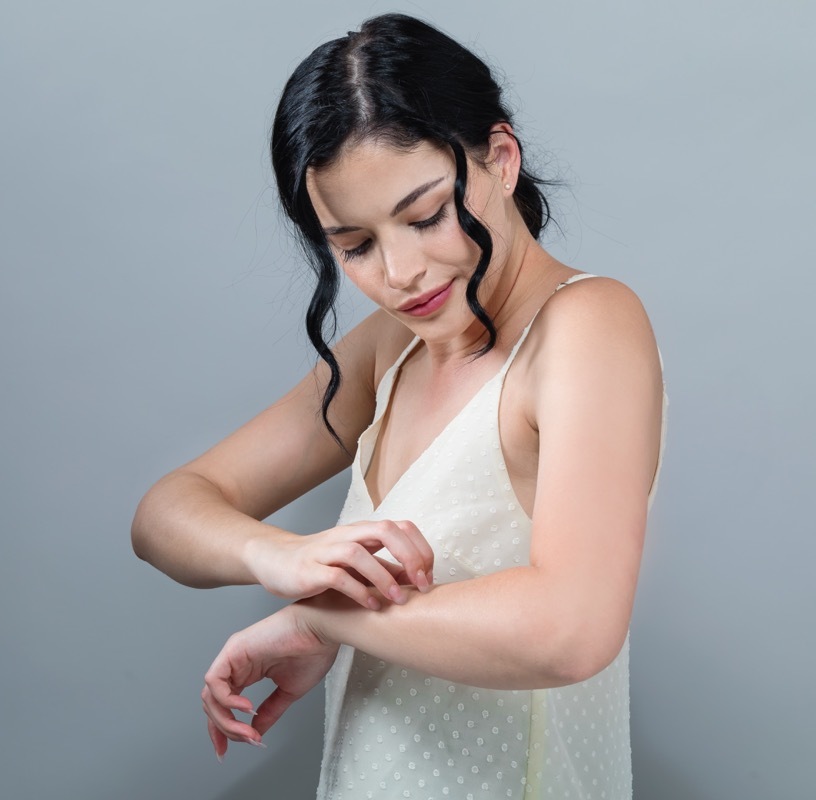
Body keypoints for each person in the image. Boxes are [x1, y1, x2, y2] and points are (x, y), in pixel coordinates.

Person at [131, 13, 666, 799]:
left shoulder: (585, 325)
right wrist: (279, 557)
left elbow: (572, 629)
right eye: (355, 245)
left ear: (502, 159)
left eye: (426, 216)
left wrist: (319, 618)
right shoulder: (394, 348)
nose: (400, 272)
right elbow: (164, 515)